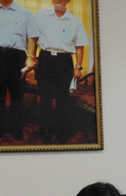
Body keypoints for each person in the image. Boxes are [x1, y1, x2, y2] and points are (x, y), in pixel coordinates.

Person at [34, 0, 88, 143]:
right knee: (45, 99)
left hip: (65, 61)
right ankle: (45, 133)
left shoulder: (75, 21)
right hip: (45, 59)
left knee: (63, 100)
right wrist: (32, 57)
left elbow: (80, 45)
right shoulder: (40, 15)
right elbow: (33, 38)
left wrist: (78, 66)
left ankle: (61, 133)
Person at [0, 0, 38, 141]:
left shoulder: (25, 13)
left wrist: (30, 57)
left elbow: (32, 38)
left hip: (16, 57)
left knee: (17, 95)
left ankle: (16, 129)